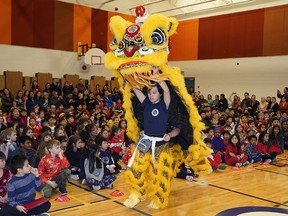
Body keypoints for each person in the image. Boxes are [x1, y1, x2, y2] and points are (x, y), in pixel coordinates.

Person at [124, 67, 179, 209]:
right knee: (136, 167)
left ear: (159, 94)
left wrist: (156, 76)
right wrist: (128, 75)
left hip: (160, 143)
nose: (150, 95)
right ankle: (136, 194)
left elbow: (166, 90)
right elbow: (136, 90)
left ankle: (158, 197)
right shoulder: (147, 103)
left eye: (154, 92)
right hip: (145, 141)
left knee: (158, 172)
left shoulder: (164, 104)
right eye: (149, 92)